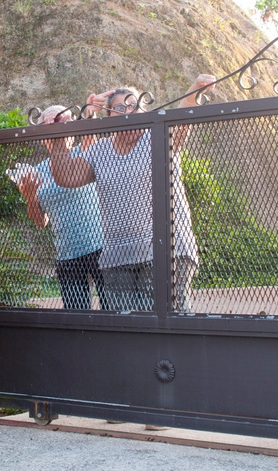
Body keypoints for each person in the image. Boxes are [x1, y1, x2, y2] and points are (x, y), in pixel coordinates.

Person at [49, 75, 215, 313]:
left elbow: (181, 123)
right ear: (108, 116)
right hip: (118, 258)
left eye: (133, 105)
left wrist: (193, 92)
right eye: (118, 107)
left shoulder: (158, 136)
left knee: (167, 324)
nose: (127, 110)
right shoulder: (100, 150)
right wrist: (61, 135)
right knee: (129, 330)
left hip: (165, 251)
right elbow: (67, 177)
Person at [16, 105, 105, 309]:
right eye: (50, 131)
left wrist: (92, 112)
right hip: (67, 255)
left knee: (113, 309)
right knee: (76, 317)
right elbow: (40, 222)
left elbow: (91, 136)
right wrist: (30, 197)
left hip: (102, 248)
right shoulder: (37, 172)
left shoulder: (84, 154)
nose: (57, 136)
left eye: (63, 127)